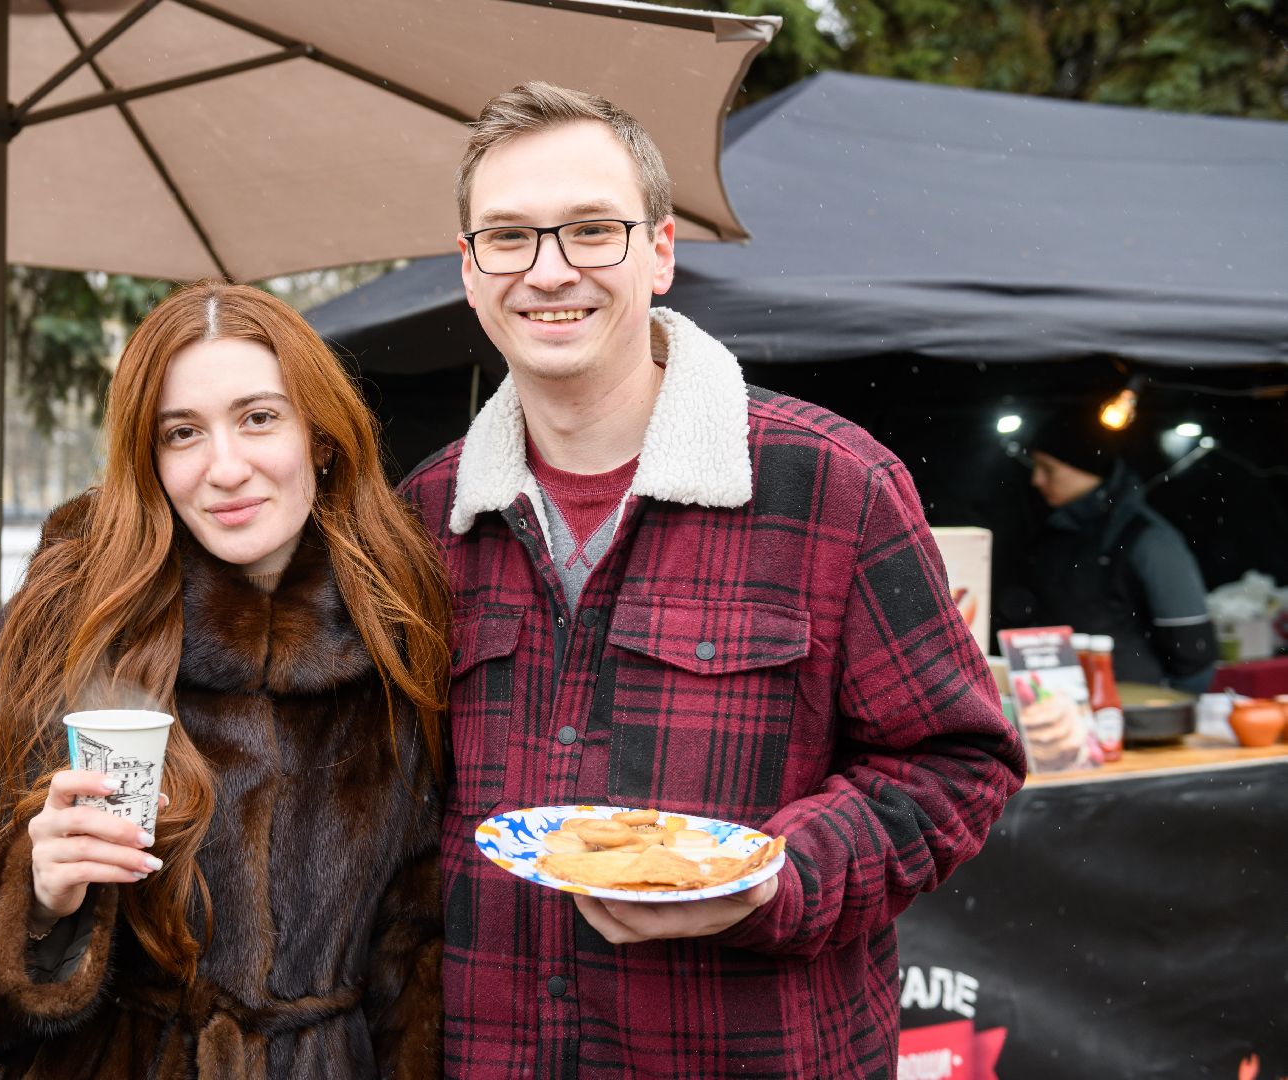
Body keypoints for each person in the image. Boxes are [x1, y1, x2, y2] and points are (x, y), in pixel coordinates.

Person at [396, 82, 1027, 1078]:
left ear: (660, 251)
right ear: (470, 271)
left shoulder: (831, 484)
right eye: (508, 238)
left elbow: (959, 764)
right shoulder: (422, 520)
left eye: (592, 230)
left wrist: (779, 879)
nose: (549, 270)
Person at [0, 282, 449, 1078]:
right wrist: (37, 892)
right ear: (149, 461)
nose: (225, 468)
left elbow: (419, 945)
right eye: (182, 433)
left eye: (259, 417)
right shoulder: (66, 621)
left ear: (320, 436)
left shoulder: (399, 623)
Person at [1019, 404, 1218, 693]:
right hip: (1061, 705)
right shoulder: (1054, 531)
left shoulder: (1149, 539)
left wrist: (1162, 710)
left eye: (1048, 469)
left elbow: (1193, 651)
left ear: (1088, 469)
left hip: (1137, 712)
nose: (1036, 480)